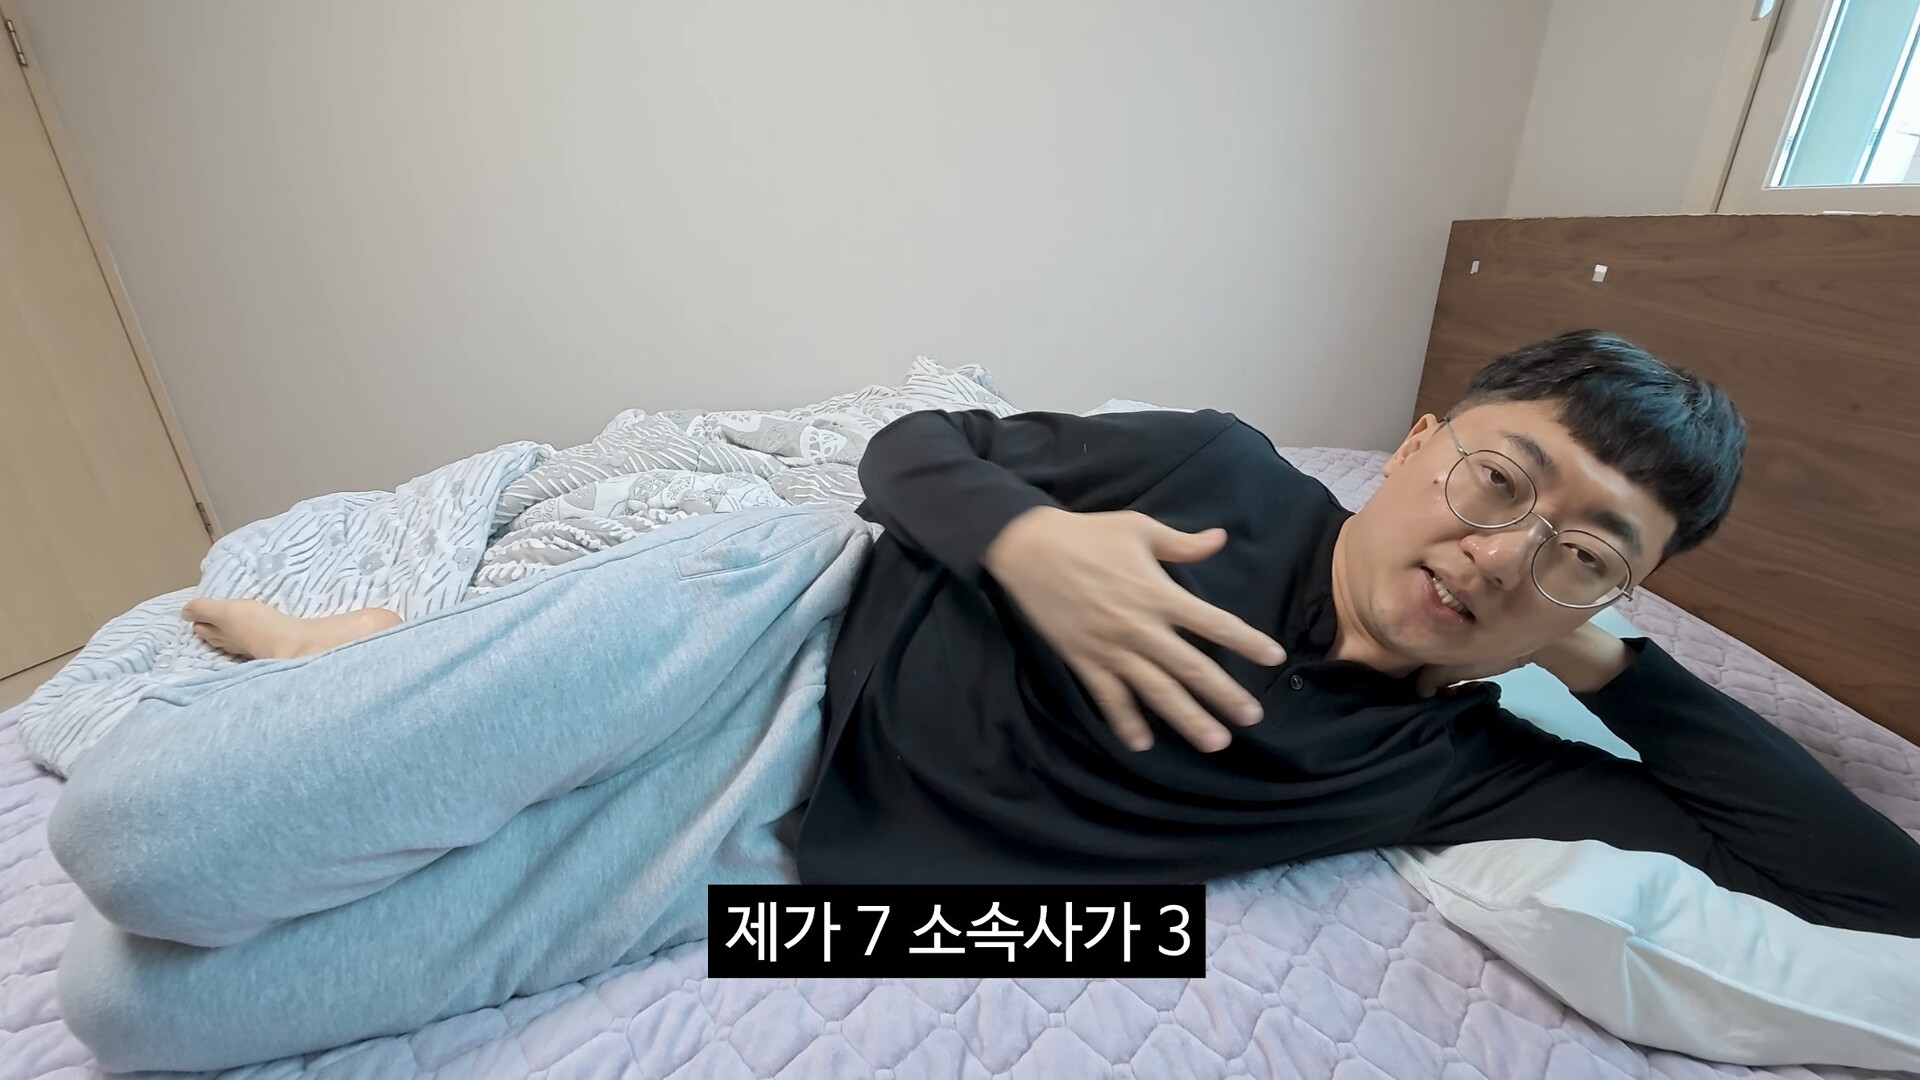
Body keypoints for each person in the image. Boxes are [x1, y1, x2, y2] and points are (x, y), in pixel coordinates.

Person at [47, 331, 1920, 1071]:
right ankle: (350, 651)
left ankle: (374, 667)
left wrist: (1599, 647)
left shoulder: (1459, 767)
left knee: (135, 1018)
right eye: (1499, 480)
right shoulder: (1224, 469)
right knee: (137, 837)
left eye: (1585, 551)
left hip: (760, 865)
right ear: (1422, 439)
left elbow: (1865, 884)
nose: (1501, 551)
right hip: (757, 634)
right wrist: (1029, 545)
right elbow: (915, 444)